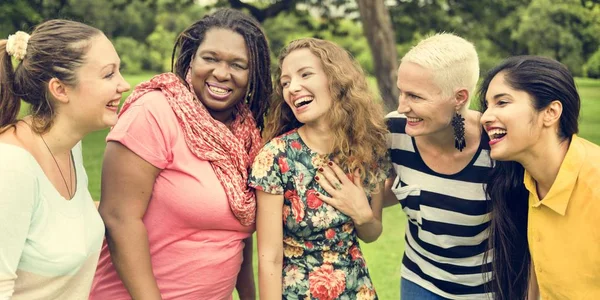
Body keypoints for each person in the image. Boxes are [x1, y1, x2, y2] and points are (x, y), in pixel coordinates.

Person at [88, 8, 272, 300]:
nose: (222, 73)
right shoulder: (155, 112)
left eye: (238, 65)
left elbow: (237, 236)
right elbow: (118, 218)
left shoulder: (246, 135)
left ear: (254, 74)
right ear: (190, 59)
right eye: (210, 58)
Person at [249, 38, 389, 300]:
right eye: (286, 82)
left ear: (336, 80)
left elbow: (372, 233)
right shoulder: (276, 157)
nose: (293, 88)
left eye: (305, 74)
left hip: (358, 291)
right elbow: (270, 257)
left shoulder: (369, 148)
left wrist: (363, 214)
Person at [0, 20, 130, 299]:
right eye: (108, 75)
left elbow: (60, 218)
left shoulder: (70, 147)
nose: (124, 85)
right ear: (59, 90)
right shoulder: (11, 169)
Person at [479, 55, 600, 300]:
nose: (484, 117)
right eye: (487, 106)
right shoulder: (530, 181)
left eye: (502, 102)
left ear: (551, 112)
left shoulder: (595, 184)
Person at [383, 33, 493, 299]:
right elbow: (394, 191)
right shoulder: (395, 131)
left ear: (459, 97)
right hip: (419, 281)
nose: (402, 106)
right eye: (401, 92)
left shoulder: (497, 145)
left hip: (485, 289)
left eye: (415, 97)